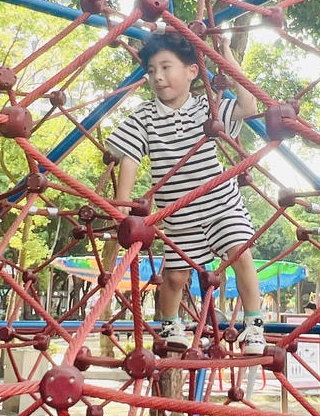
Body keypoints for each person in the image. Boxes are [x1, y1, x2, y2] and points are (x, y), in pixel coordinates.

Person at [106, 31, 265, 354]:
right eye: (151, 71)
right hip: (178, 214)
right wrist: (122, 208)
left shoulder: (208, 107)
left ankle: (254, 326)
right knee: (174, 278)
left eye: (166, 67)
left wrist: (227, 58)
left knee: (241, 256)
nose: (158, 77)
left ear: (192, 71)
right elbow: (130, 158)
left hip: (221, 205)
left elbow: (249, 106)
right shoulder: (144, 117)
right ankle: (170, 324)